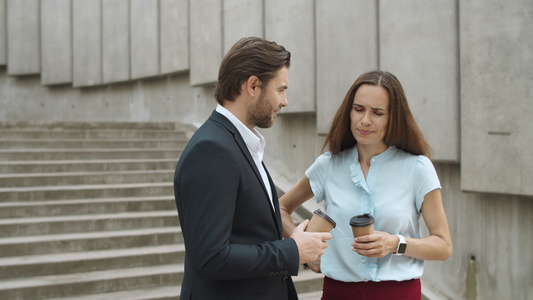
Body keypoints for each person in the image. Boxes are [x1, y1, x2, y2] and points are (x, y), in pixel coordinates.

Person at [173, 37, 331, 300]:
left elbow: (250, 234)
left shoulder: (241, 143)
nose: (285, 101)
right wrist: (292, 251)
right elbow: (211, 257)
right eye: (281, 90)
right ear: (253, 85)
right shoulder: (212, 150)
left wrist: (298, 249)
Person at [279, 70, 453, 299]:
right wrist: (302, 247)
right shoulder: (328, 165)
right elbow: (279, 208)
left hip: (399, 293)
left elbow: (443, 246)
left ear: (393, 118)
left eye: (377, 113)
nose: (365, 120)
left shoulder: (417, 168)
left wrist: (395, 243)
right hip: (338, 292)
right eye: (359, 109)